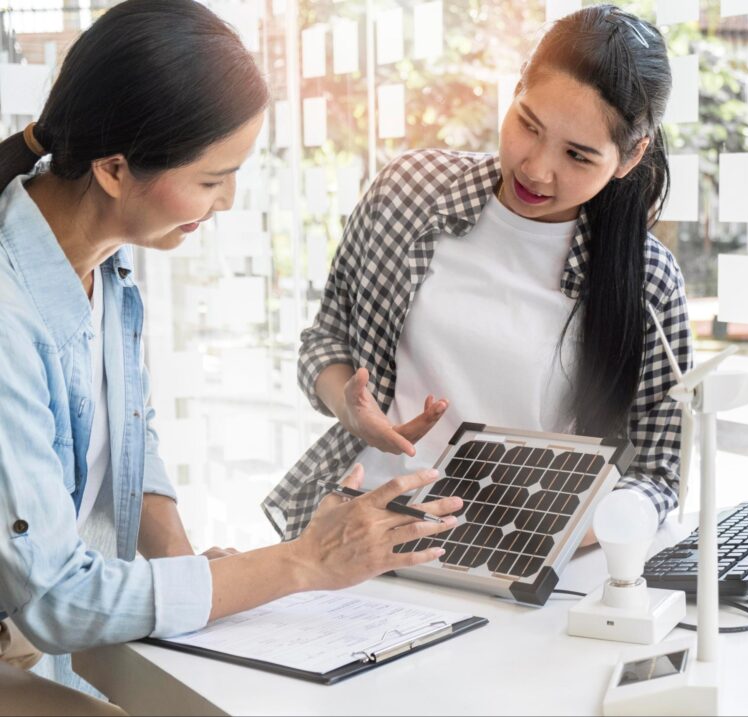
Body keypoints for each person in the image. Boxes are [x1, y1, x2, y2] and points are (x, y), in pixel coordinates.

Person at [0, 0, 459, 707]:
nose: (228, 202)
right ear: (115, 169)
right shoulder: (10, 312)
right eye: (212, 179)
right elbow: (60, 598)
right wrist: (305, 561)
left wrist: (185, 567)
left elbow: (129, 436)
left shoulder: (105, 262)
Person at [264, 4, 692, 545]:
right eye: (528, 125)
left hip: (523, 549)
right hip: (369, 529)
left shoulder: (647, 279)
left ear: (630, 158)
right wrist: (350, 408)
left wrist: (556, 540)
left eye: (578, 156)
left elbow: (657, 470)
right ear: (514, 91)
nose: (536, 168)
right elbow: (325, 339)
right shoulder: (409, 192)